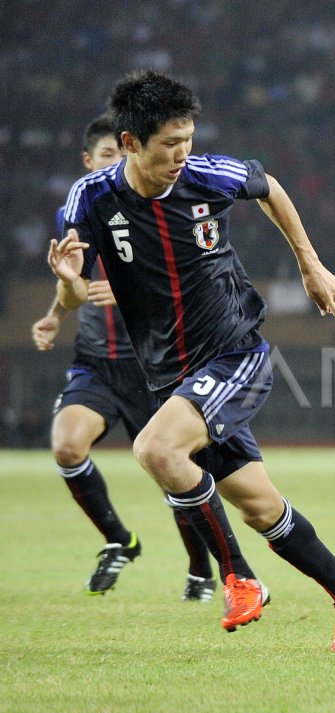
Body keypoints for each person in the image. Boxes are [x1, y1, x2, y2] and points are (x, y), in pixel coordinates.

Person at [47, 70, 335, 650]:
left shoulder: (208, 175)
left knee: (155, 449)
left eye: (188, 140)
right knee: (259, 507)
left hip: (233, 354)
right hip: (172, 374)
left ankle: (240, 578)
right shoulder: (92, 199)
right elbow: (74, 292)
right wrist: (71, 286)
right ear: (129, 144)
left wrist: (309, 263)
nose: (182, 155)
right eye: (168, 145)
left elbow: (269, 185)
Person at [33, 115, 229, 601]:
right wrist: (60, 308)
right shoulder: (83, 209)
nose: (115, 165)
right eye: (106, 157)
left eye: (121, 157)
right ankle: (119, 539)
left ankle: (201, 570)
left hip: (152, 362)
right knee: (66, 446)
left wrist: (132, 291)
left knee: (170, 470)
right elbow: (76, 280)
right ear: (89, 162)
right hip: (97, 360)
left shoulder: (158, 206)